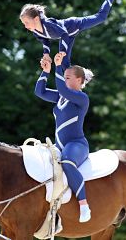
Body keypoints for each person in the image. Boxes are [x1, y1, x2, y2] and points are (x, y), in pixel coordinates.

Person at [34, 53, 94, 222]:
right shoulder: (60, 97)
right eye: (64, 77)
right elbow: (39, 91)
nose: (64, 79)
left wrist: (59, 67)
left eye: (68, 77)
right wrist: (45, 72)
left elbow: (62, 89)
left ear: (79, 81)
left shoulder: (81, 98)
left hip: (77, 145)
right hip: (59, 145)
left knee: (67, 162)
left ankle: (83, 205)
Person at [20, 0, 126, 70]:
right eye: (23, 23)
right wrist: (46, 54)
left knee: (101, 17)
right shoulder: (35, 31)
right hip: (68, 35)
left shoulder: (48, 24)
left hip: (75, 24)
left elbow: (64, 34)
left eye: (26, 22)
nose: (25, 26)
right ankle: (71, 89)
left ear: (36, 19)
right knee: (64, 64)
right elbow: (45, 40)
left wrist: (62, 51)